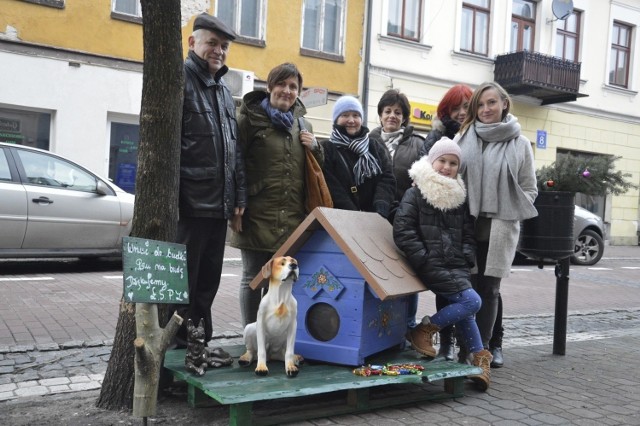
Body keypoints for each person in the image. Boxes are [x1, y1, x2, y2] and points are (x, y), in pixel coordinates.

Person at [169, 13, 246, 349]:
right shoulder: (179, 80)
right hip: (189, 205)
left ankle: (198, 347)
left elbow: (234, 151)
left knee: (206, 286)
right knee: (182, 288)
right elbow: (165, 148)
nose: (219, 51)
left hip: (218, 207)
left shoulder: (223, 91)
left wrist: (238, 198)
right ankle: (175, 355)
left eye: (224, 46)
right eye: (212, 43)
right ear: (192, 43)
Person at [394, 137, 492, 391]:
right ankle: (423, 331)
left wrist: (467, 255)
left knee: (466, 307)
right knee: (472, 301)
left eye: (453, 163)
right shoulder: (416, 192)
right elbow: (403, 230)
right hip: (431, 263)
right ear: (431, 161)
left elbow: (468, 233)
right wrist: (424, 257)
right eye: (442, 161)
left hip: (456, 264)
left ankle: (479, 359)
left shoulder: (458, 197)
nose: (447, 167)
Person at [230, 63, 322, 327]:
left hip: (292, 216)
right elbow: (235, 165)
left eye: (293, 87)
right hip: (255, 214)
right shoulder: (248, 120)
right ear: (269, 87)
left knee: (283, 280)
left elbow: (314, 171)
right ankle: (251, 336)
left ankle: (275, 335)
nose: (287, 91)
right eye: (281, 84)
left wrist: (316, 147)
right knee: (252, 278)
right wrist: (237, 204)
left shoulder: (303, 125)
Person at [456, 81, 538, 367]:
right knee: (467, 290)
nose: (485, 109)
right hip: (467, 226)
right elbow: (452, 176)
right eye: (480, 104)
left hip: (500, 228)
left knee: (489, 291)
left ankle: (485, 350)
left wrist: (511, 205)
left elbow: (530, 188)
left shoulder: (520, 144)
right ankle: (465, 346)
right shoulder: (464, 136)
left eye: (491, 103)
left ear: (504, 104)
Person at [423, 83, 473, 362]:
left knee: (472, 292)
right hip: (439, 227)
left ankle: (475, 349)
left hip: (466, 220)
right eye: (456, 107)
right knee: (448, 292)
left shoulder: (476, 134)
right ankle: (446, 345)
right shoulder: (436, 138)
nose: (461, 112)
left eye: (467, 106)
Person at [368, 89, 426, 330]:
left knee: (406, 274)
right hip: (373, 219)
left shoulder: (417, 144)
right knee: (376, 273)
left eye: (397, 112)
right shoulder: (367, 140)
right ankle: (378, 326)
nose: (392, 116)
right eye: (388, 111)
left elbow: (424, 180)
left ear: (405, 117)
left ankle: (408, 326)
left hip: (406, 219)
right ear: (380, 115)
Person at [321, 95, 396, 219]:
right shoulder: (327, 148)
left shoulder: (374, 146)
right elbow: (331, 186)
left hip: (377, 219)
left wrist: (380, 208)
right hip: (342, 219)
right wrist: (354, 215)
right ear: (336, 119)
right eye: (345, 115)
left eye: (356, 115)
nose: (351, 120)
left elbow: (387, 178)